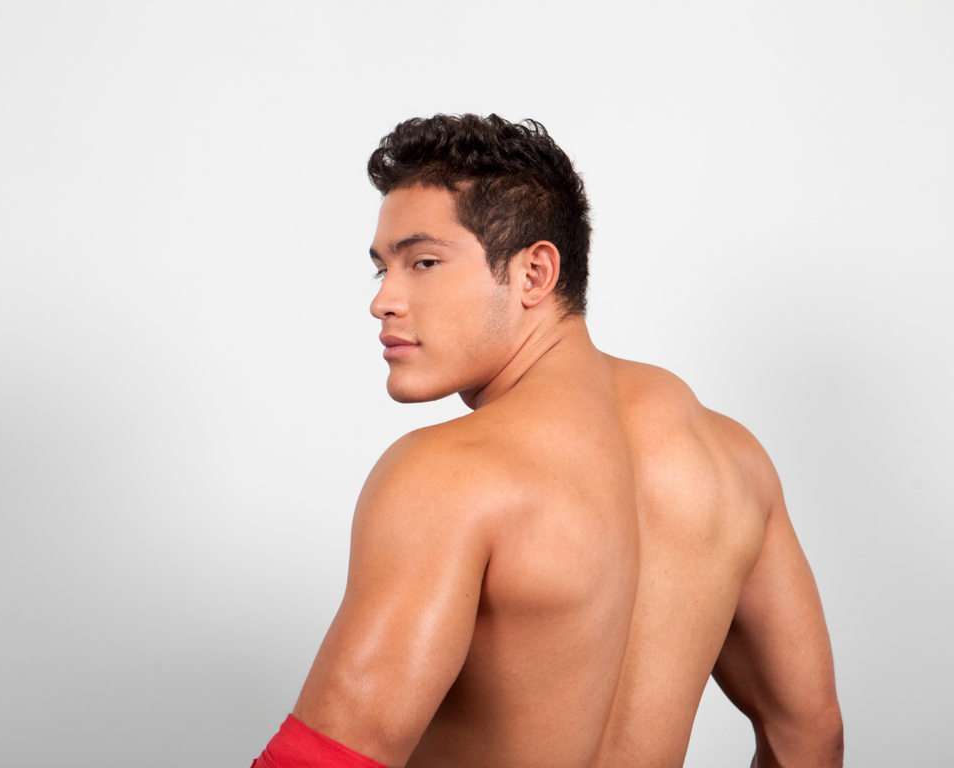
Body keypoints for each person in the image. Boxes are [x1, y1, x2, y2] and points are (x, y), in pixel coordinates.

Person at [252, 114, 843, 768]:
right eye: (381, 270)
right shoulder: (733, 459)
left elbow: (321, 762)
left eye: (423, 263)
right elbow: (810, 738)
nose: (384, 300)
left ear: (534, 273)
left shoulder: (447, 473)